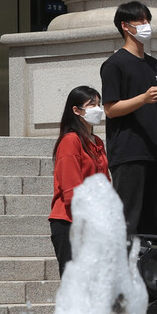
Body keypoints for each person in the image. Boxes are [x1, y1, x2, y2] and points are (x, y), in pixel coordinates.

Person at [100, 1, 157, 236]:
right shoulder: (114, 64)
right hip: (128, 151)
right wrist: (143, 98)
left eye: (148, 21)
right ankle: (122, 268)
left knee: (151, 221)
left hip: (153, 151)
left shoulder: (155, 64)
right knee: (127, 219)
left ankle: (149, 266)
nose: (146, 26)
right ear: (125, 26)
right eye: (141, 21)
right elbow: (111, 109)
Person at [49, 86, 109, 276]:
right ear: (76, 110)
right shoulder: (70, 141)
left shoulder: (97, 142)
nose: (97, 109)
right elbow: (71, 189)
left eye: (98, 105)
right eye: (91, 105)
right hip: (71, 222)